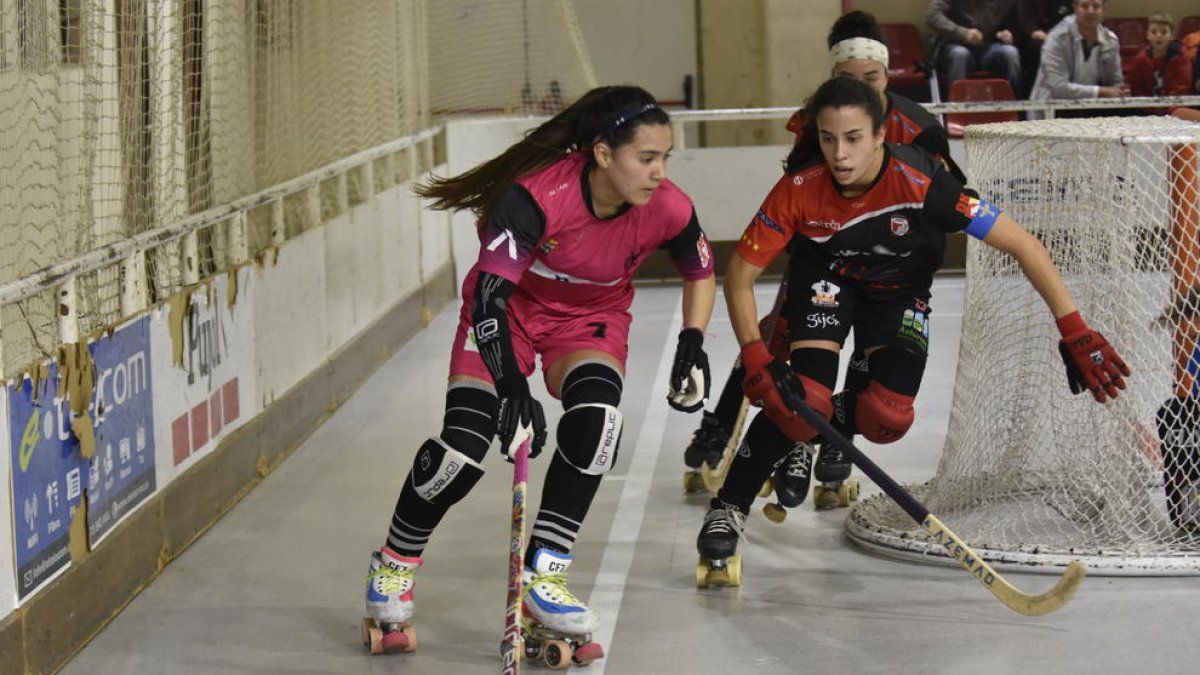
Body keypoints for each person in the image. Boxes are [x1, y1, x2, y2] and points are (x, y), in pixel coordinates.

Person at [694, 74, 1129, 579]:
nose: (840, 154)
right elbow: (740, 276)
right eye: (829, 138)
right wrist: (755, 354)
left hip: (900, 294)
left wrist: (1073, 328)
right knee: (802, 400)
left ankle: (798, 428)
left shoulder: (929, 185)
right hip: (826, 284)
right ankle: (729, 505)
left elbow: (1024, 244)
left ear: (881, 135)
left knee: (886, 419)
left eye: (854, 138)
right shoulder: (798, 190)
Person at [364, 85, 716, 659]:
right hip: (506, 316)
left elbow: (700, 270)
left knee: (598, 423)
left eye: (665, 158)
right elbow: (490, 301)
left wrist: (693, 340)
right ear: (604, 154)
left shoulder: (669, 206)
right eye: (647, 158)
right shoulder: (533, 198)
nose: (659, 172)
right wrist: (511, 386)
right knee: (462, 451)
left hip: (590, 322)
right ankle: (394, 564)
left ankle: (545, 576)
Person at [685, 11, 966, 514]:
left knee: (876, 370)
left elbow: (948, 200)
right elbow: (796, 192)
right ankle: (725, 430)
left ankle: (823, 441)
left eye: (872, 79)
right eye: (846, 80)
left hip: (897, 269)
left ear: (888, 77)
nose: (860, 89)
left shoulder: (919, 128)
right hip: (825, 258)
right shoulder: (820, 121)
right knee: (776, 339)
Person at [1028, 0, 1128, 119]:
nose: (1090, 11)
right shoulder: (1056, 38)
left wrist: (1120, 91)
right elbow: (1058, 88)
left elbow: (1116, 84)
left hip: (1090, 109)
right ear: (1075, 9)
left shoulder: (1111, 41)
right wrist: (1101, 91)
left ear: (1104, 10)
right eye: (1085, 6)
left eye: (1096, 7)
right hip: (1052, 111)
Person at [924, 0, 1023, 97]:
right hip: (956, 44)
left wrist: (1009, 33)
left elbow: (1019, 22)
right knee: (960, 54)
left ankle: (1014, 108)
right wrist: (963, 33)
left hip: (990, 46)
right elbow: (932, 17)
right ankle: (959, 109)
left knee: (1011, 53)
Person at [1126, 14, 1193, 100]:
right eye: (1154, 32)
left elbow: (1182, 88)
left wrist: (1164, 106)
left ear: (1172, 36)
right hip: (1147, 107)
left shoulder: (1181, 56)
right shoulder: (1140, 59)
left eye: (1164, 32)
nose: (1158, 36)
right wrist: (1150, 107)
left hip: (1175, 105)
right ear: (1147, 35)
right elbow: (1136, 88)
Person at [1017, 0, 1074, 97]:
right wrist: (1035, 32)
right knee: (1037, 48)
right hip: (1037, 42)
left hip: (1064, 41)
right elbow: (1028, 24)